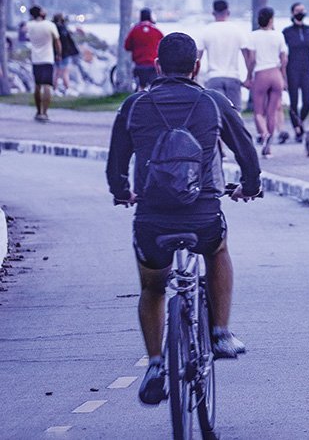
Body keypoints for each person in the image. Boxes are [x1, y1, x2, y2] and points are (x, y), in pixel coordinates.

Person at [105, 32, 261, 406]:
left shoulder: (134, 105)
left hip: (152, 221)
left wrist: (122, 193)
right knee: (218, 248)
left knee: (153, 288)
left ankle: (156, 363)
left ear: (157, 66)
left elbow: (115, 166)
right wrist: (249, 187)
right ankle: (221, 332)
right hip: (203, 215)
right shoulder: (214, 102)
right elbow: (247, 155)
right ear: (196, 67)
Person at [243, 7, 288, 158]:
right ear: (271, 19)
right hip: (276, 74)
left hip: (261, 74)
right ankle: (268, 148)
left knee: (258, 112)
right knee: (272, 112)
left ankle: (264, 134)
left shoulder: (253, 36)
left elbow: (252, 59)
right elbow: (284, 60)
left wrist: (249, 77)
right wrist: (283, 78)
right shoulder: (279, 36)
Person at [282, 2, 309, 141]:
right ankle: (297, 130)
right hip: (292, 69)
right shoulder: (287, 32)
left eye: (303, 10)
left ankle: (300, 123)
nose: (301, 12)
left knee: (307, 102)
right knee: (294, 102)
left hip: (307, 69)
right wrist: (282, 74)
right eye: (298, 10)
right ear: (292, 13)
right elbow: (282, 52)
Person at [197, 0, 248, 109]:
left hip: (213, 77)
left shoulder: (206, 31)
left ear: (213, 13)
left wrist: (194, 78)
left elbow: (198, 58)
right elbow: (246, 56)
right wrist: (248, 77)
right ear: (228, 12)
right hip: (233, 76)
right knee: (235, 112)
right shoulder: (237, 30)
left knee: (217, 111)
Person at [25, 5, 60, 122]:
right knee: (47, 86)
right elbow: (57, 41)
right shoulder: (50, 25)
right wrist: (59, 54)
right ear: (40, 13)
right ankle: (44, 113)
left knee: (37, 86)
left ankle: (38, 111)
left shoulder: (29, 25)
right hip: (48, 59)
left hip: (35, 59)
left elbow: (25, 34)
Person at [123, 8, 163, 90]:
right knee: (154, 88)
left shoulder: (134, 30)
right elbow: (164, 45)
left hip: (140, 64)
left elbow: (127, 46)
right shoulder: (156, 31)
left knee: (141, 88)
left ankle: (141, 101)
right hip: (153, 64)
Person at [52, 13, 80, 94]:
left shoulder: (53, 28)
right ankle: (66, 88)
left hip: (55, 53)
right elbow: (66, 42)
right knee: (64, 72)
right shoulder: (62, 28)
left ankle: (55, 89)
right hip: (64, 53)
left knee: (57, 72)